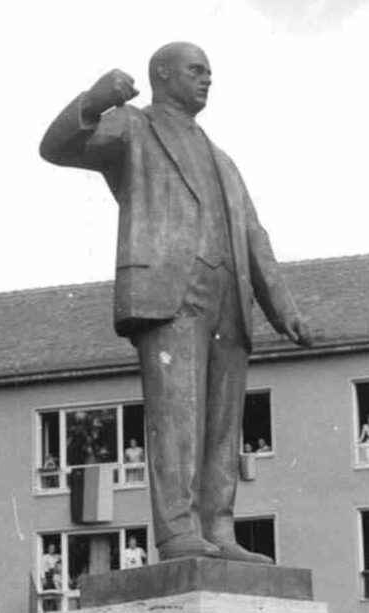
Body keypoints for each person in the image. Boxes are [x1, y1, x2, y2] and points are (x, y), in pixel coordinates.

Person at [40, 42, 311, 563]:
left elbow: (255, 236)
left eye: (210, 72)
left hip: (230, 300)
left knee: (223, 423)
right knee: (178, 414)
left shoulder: (224, 160)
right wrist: (94, 101)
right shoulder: (133, 128)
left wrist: (284, 308)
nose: (207, 79)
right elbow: (57, 146)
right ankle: (179, 531)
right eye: (196, 70)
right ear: (163, 75)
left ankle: (219, 528)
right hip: (170, 292)